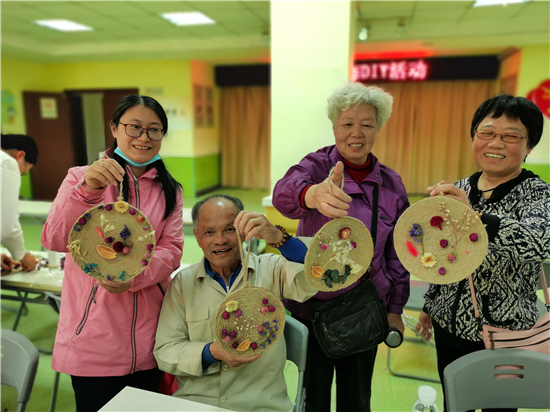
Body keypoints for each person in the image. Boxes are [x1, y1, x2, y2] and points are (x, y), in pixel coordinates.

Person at [272, 82, 410, 412]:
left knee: (357, 400)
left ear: (379, 127)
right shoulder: (316, 166)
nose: (356, 133)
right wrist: (312, 195)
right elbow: (283, 195)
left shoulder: (391, 184)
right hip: (314, 307)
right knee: (313, 398)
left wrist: (395, 310)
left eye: (367, 124)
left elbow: (397, 255)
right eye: (347, 123)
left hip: (366, 308)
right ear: (334, 126)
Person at [41, 95, 184, 412]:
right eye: (134, 127)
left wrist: (134, 276)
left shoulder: (170, 189)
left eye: (154, 130)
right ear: (114, 128)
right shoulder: (81, 178)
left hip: (151, 340)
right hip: (93, 342)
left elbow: (172, 250)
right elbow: (54, 238)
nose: (144, 137)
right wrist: (88, 191)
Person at [415, 94, 550, 412]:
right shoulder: (460, 186)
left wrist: (474, 218)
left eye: (511, 135)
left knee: (498, 408)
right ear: (474, 136)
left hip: (505, 337)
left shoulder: (538, 194)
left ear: (529, 146)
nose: (496, 143)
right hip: (448, 329)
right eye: (487, 132)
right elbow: (444, 256)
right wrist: (431, 305)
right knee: (455, 404)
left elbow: (540, 242)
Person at [154, 194, 318, 412]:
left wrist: (278, 237)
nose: (220, 240)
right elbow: (165, 351)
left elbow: (315, 272)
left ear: (244, 230)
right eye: (209, 232)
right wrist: (213, 352)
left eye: (230, 229)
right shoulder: (183, 284)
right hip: (197, 403)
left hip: (261, 405)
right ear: (197, 236)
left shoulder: (271, 269)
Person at [1, 133, 39, 272]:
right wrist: (23, 256)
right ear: (20, 155)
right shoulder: (6, 162)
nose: (20, 174)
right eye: (22, 172)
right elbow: (7, 226)